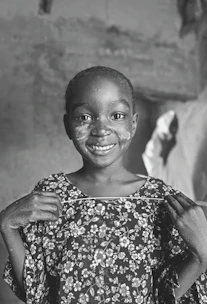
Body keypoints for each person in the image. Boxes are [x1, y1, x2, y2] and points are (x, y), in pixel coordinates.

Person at [0, 66, 207, 304]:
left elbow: (164, 298)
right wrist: (7, 225)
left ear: (133, 123)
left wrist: (202, 255)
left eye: (117, 115)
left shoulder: (160, 199)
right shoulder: (52, 193)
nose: (101, 130)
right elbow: (36, 293)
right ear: (68, 125)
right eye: (85, 117)